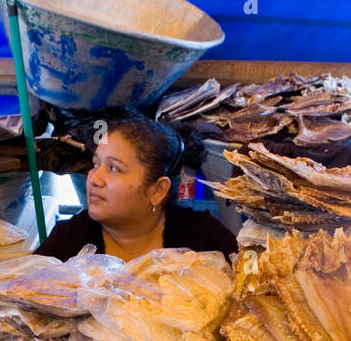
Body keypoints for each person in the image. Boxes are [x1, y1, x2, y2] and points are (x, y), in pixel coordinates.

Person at [35, 111, 237, 262]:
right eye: (96, 164)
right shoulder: (68, 241)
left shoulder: (206, 241)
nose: (94, 178)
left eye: (114, 169)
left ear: (157, 190)